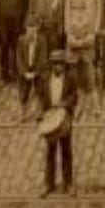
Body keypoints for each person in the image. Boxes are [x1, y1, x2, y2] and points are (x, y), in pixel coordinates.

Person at [37, 51, 78, 196]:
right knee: (50, 151)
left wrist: (64, 104)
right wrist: (42, 112)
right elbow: (40, 96)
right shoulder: (44, 79)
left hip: (64, 116)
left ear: (64, 65)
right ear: (51, 65)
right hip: (50, 116)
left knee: (66, 150)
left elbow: (74, 96)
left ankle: (68, 183)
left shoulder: (70, 78)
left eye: (60, 64)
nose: (57, 67)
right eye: (55, 64)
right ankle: (49, 184)